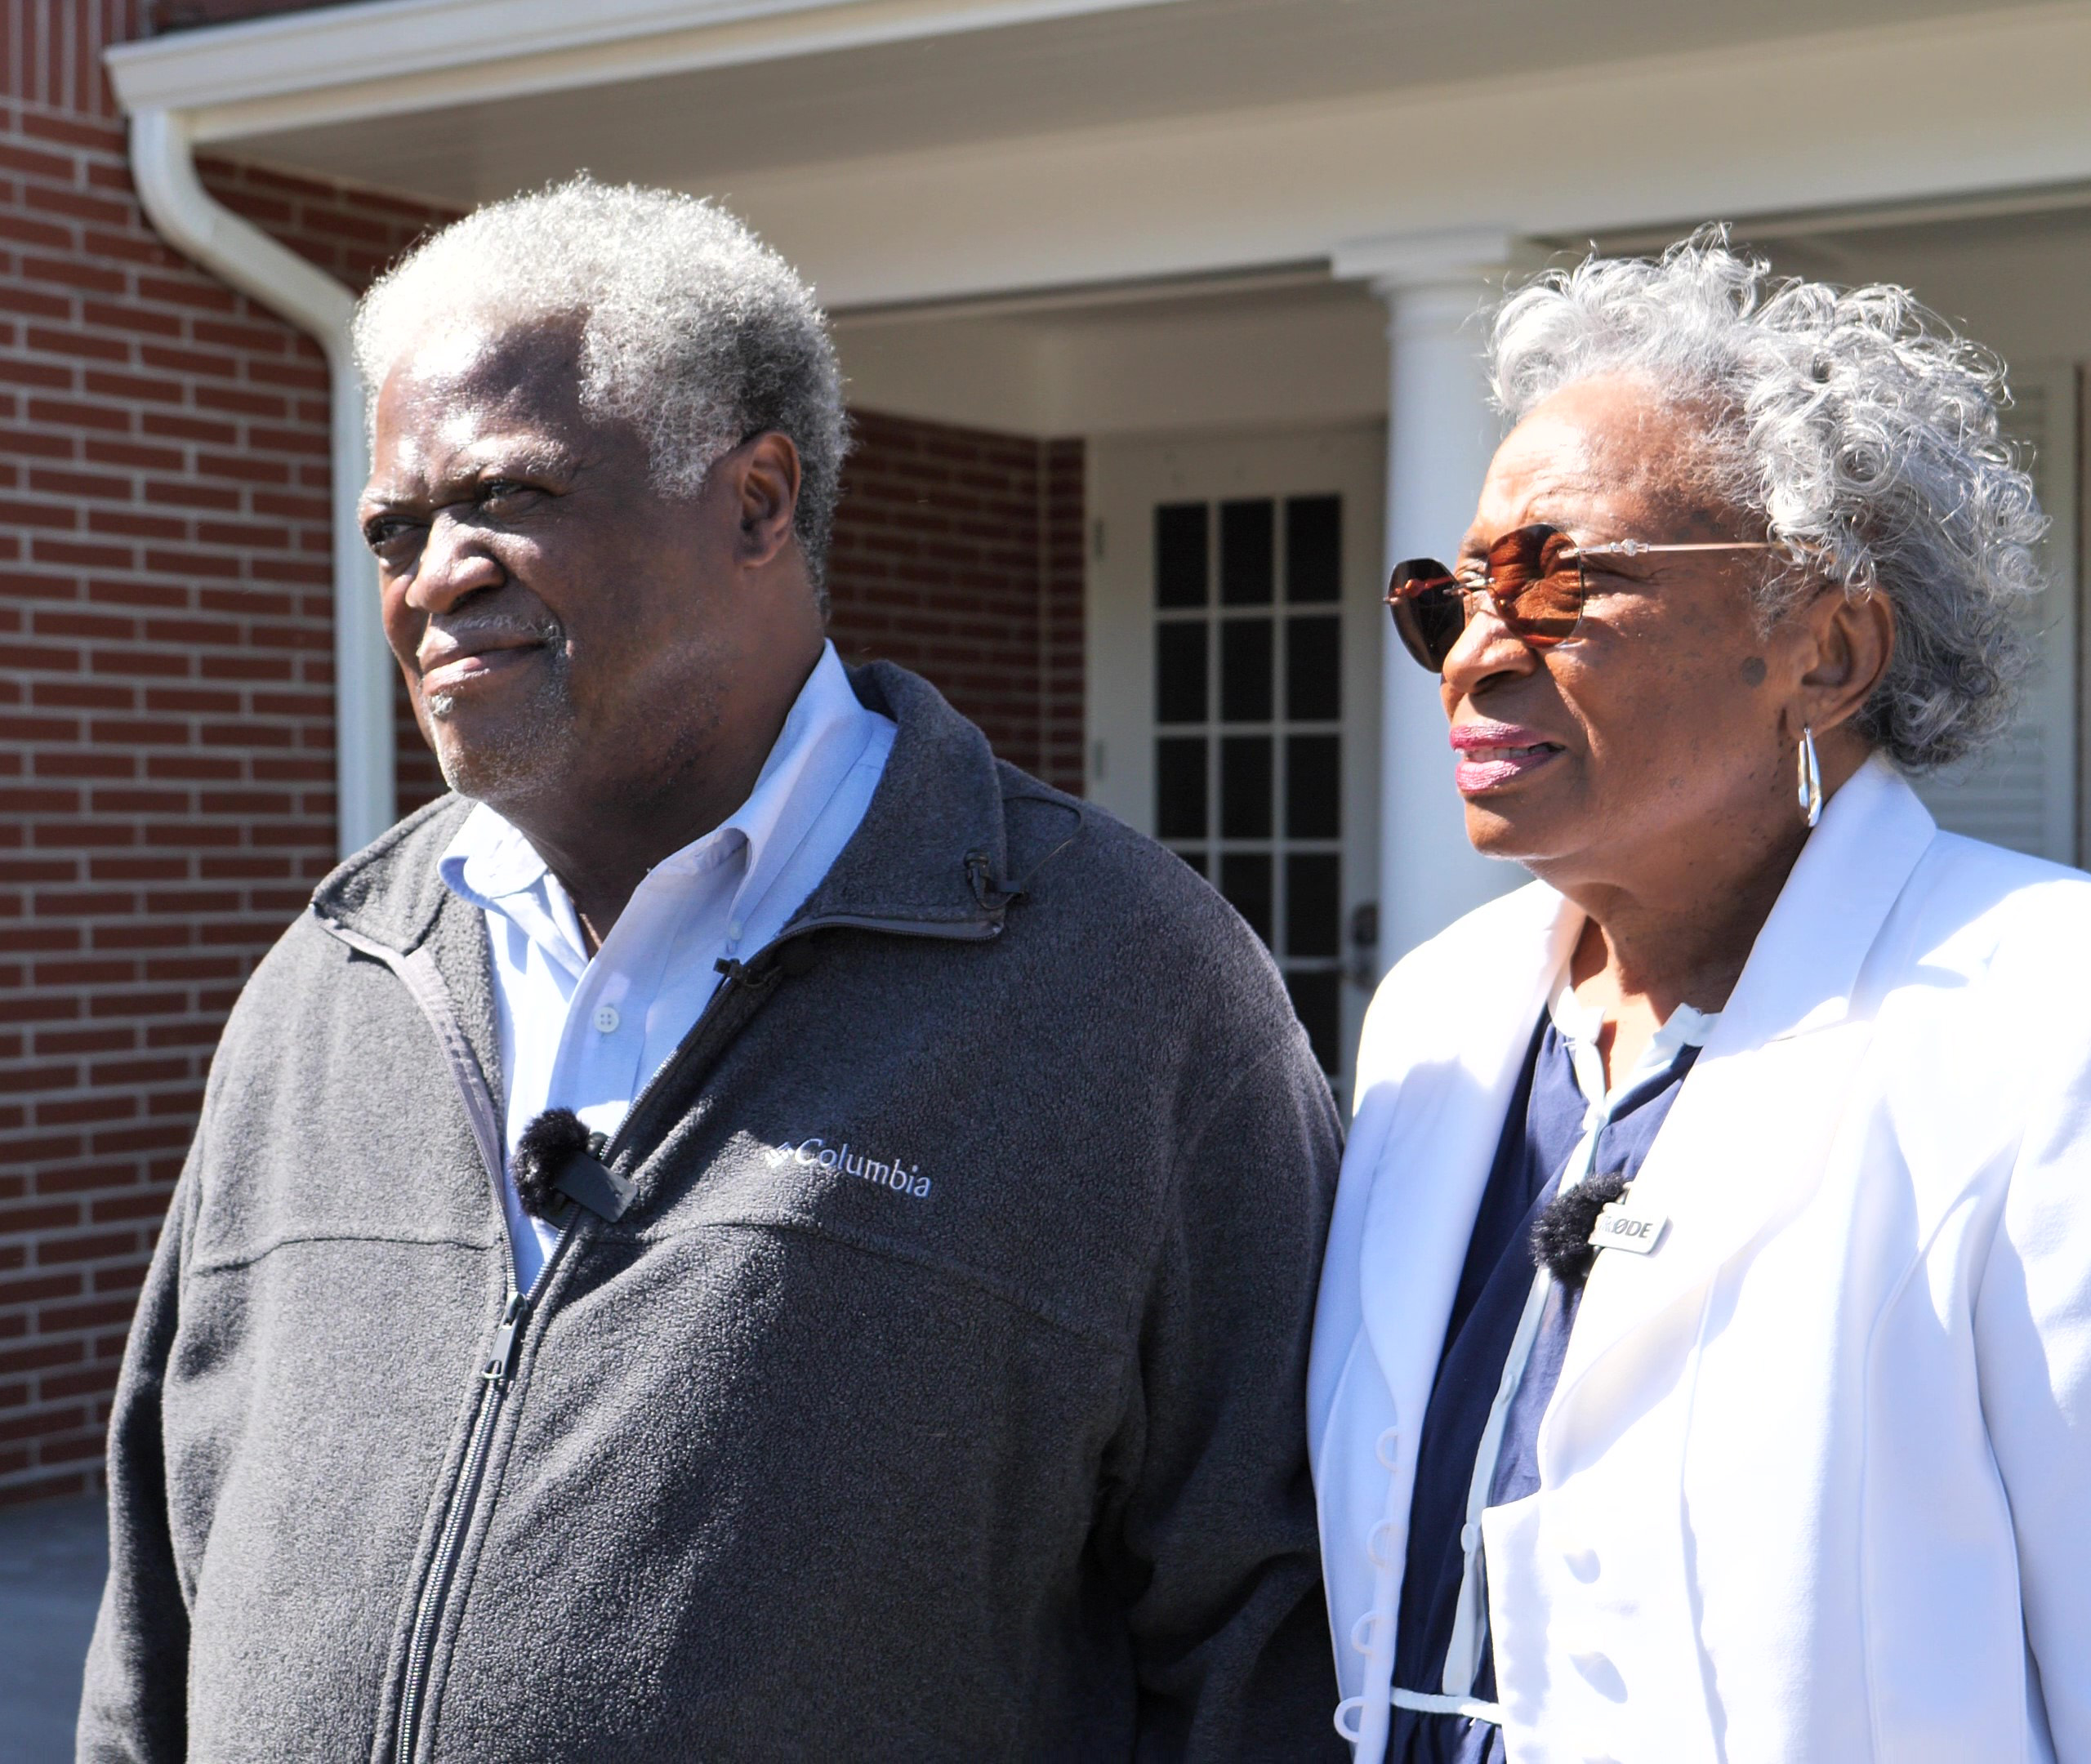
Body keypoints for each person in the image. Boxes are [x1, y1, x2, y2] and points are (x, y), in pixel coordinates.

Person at [79, 180, 1344, 1762]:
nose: (434, 578)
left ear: (756, 502)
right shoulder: (331, 979)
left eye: (508, 496)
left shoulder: (1125, 989)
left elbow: (1266, 1646)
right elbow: (156, 1602)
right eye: (395, 529)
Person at [1309, 231, 2091, 1762]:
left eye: (1561, 583)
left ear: (1828, 652)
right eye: (1448, 599)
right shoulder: (1433, 1022)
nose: (1476, 655)